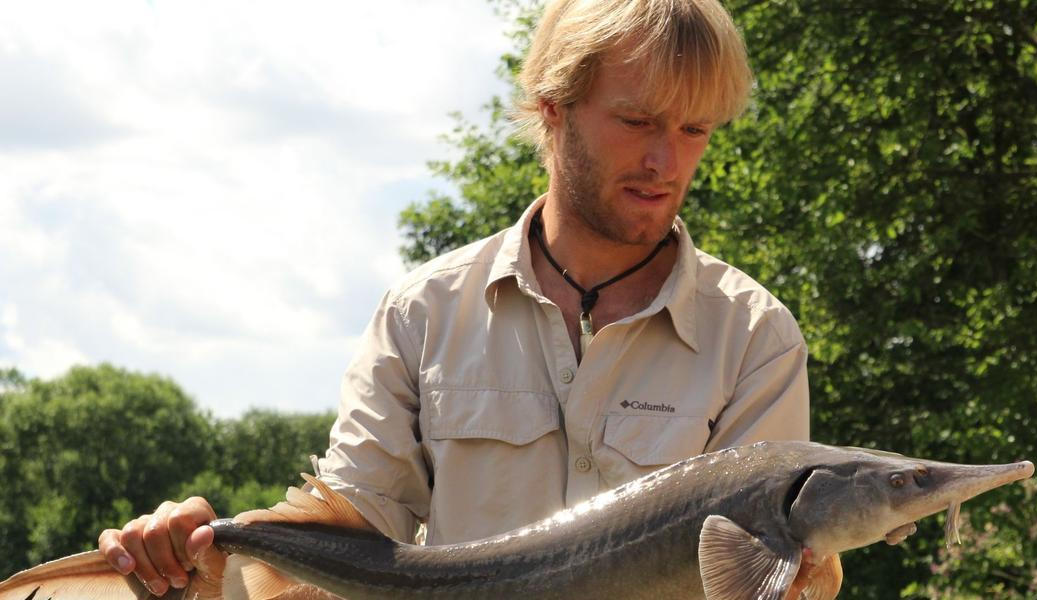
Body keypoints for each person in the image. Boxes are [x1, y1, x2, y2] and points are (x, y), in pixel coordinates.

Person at [99, 0, 823, 596]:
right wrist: (201, 546)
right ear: (553, 109)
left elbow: (762, 575)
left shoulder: (755, 338)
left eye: (693, 130)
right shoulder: (423, 314)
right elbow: (349, 536)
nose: (666, 161)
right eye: (637, 121)